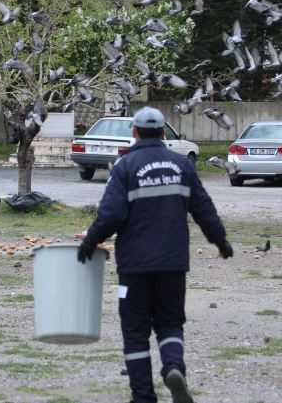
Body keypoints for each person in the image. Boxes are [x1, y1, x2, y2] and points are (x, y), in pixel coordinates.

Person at [78, 107, 233, 403]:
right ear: (163, 133)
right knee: (170, 322)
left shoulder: (124, 167)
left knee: (135, 331)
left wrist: (90, 242)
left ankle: (143, 396)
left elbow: (111, 215)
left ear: (134, 133)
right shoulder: (181, 166)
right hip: (172, 264)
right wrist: (220, 242)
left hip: (134, 267)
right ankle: (173, 367)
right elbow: (204, 209)